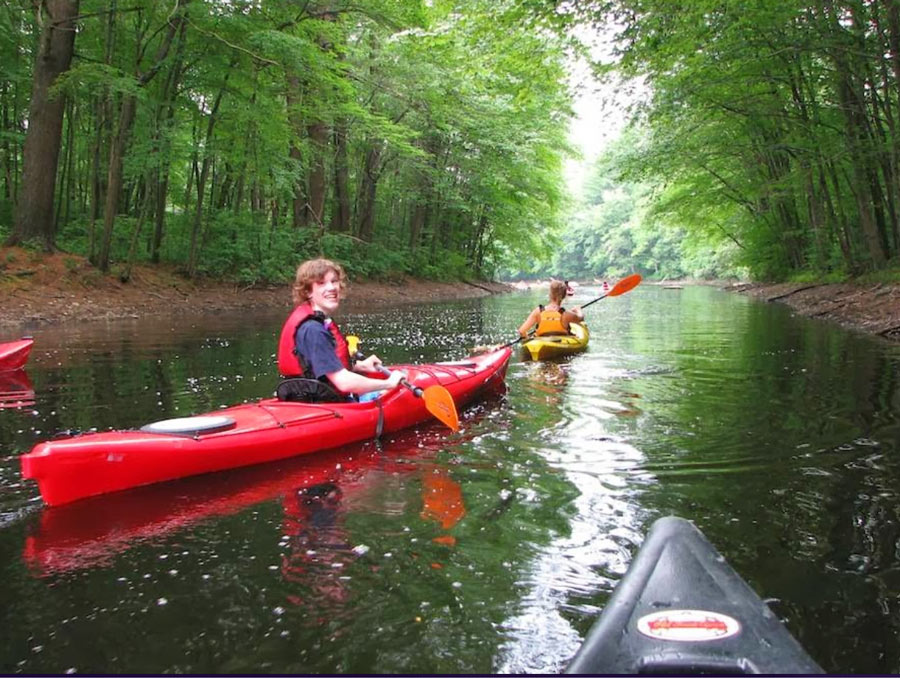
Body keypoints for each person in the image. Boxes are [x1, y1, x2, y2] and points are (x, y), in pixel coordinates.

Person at [276, 258, 404, 402]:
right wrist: (389, 383)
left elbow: (319, 367)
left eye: (334, 281)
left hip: (312, 399)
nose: (331, 288)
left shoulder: (317, 324)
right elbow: (343, 383)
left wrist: (359, 366)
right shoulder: (313, 330)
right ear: (308, 292)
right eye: (321, 283)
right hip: (322, 405)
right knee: (389, 392)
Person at [517, 280, 584, 338]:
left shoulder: (538, 311)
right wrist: (578, 310)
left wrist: (527, 338)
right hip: (562, 345)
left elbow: (521, 331)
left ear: (550, 295)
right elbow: (580, 318)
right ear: (563, 296)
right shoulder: (566, 314)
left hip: (541, 342)